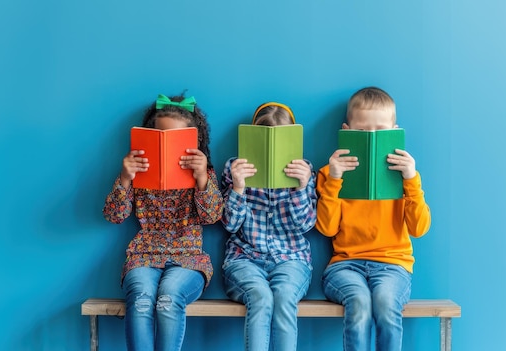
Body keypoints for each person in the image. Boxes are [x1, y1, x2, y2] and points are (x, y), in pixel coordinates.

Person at [102, 94, 223, 351]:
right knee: (142, 299)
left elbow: (212, 216)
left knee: (168, 298)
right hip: (144, 254)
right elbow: (115, 216)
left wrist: (201, 177)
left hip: (188, 257)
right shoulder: (137, 172)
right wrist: (125, 178)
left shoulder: (203, 173)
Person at [315, 87, 431, 351]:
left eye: (380, 130)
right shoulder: (329, 173)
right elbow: (326, 227)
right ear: (347, 130)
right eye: (363, 131)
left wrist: (411, 180)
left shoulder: (405, 176)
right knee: (358, 302)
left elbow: (419, 228)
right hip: (345, 265)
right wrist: (334, 180)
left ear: (393, 131)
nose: (371, 137)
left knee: (386, 302)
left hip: (393, 265)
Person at [220, 102, 317, 351]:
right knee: (260, 297)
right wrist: (238, 188)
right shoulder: (234, 169)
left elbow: (305, 224)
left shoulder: (304, 172)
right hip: (243, 259)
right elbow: (230, 225)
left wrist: (300, 188)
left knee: (284, 297)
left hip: (292, 258)